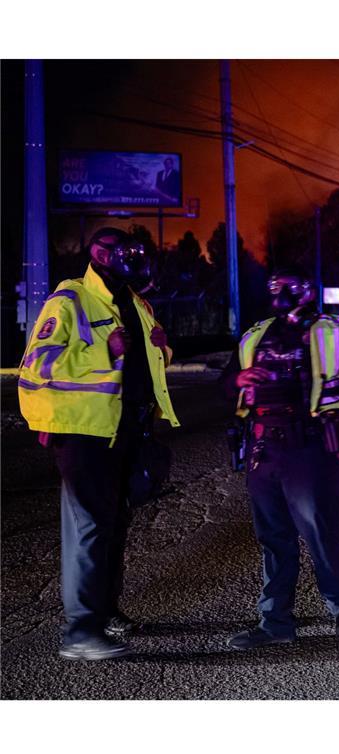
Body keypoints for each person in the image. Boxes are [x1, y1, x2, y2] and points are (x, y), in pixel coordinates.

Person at [18, 227, 179, 661]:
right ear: (98, 254)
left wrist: (163, 351)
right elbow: (36, 365)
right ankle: (80, 632)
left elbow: (143, 360)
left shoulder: (134, 301)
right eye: (125, 252)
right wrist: (102, 352)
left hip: (127, 430)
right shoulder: (69, 300)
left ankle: (106, 612)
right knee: (89, 527)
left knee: (113, 525)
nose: (135, 259)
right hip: (84, 434)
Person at [220, 265, 339, 650]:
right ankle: (275, 622)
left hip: (310, 447)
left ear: (307, 291)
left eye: (288, 288)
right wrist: (237, 381)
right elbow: (226, 381)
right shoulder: (256, 334)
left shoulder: (332, 332)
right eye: (275, 288)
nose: (280, 295)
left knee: (323, 533)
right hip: (263, 449)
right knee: (274, 539)